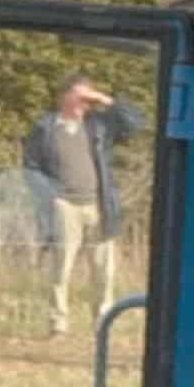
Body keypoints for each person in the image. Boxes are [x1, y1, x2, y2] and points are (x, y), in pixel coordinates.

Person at [22, 75, 120, 338]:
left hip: (97, 205)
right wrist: (50, 196)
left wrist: (103, 99)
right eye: (79, 95)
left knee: (103, 271)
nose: (83, 102)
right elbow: (31, 167)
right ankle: (58, 324)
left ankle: (102, 324)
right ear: (64, 95)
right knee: (61, 268)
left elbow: (133, 121)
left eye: (86, 97)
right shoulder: (46, 127)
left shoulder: (96, 126)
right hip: (64, 205)